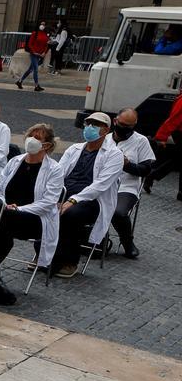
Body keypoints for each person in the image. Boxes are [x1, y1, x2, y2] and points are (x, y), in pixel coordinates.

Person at [0, 124, 63, 293]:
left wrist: (19, 209)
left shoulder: (54, 169)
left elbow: (48, 203)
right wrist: (4, 204)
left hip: (35, 220)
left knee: (5, 218)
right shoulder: (15, 161)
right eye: (31, 135)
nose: (32, 140)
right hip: (7, 215)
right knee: (4, 223)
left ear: (47, 145)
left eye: (38, 138)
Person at [51, 112, 123, 277]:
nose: (90, 127)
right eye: (88, 123)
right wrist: (53, 197)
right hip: (65, 193)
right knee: (46, 209)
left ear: (106, 130)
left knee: (70, 215)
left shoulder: (114, 155)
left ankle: (70, 261)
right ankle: (44, 255)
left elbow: (100, 185)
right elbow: (58, 174)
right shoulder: (74, 149)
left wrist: (73, 200)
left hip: (92, 201)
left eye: (95, 125)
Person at [109, 108, 154, 258]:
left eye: (129, 126)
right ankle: (92, 240)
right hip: (102, 185)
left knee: (118, 212)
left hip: (126, 187)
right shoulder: (105, 139)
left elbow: (146, 170)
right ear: (115, 121)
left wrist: (127, 164)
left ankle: (127, 242)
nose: (125, 129)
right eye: (122, 124)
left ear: (134, 125)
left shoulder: (141, 141)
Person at [17, 21, 50, 91]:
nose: (42, 25)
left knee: (30, 69)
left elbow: (46, 45)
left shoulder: (46, 35)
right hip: (34, 54)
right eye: (41, 24)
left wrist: (44, 52)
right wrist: (34, 52)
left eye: (44, 24)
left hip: (40, 54)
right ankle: (36, 85)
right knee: (35, 69)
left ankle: (20, 81)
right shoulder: (35, 33)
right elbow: (30, 44)